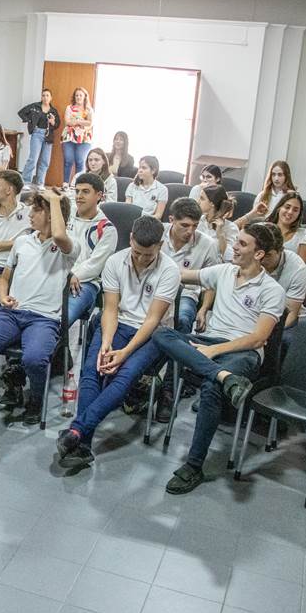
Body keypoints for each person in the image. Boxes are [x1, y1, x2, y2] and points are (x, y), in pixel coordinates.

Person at [151, 223, 286, 495]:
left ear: (259, 254)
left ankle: (193, 465)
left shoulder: (272, 290)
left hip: (242, 352)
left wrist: (214, 352)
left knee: (211, 388)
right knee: (162, 334)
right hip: (209, 343)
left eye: (242, 244)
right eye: (236, 242)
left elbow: (259, 338)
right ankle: (226, 378)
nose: (234, 247)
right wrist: (149, 256)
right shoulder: (223, 272)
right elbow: (181, 274)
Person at [0, 190, 77, 461]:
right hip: (12, 313)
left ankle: (34, 401)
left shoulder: (68, 246)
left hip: (44, 319)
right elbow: (5, 275)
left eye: (36, 210)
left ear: (53, 214)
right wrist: (2, 296)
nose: (29, 214)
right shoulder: (23, 242)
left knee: (35, 358)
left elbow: (58, 235)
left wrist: (56, 200)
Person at [57, 216, 180, 468]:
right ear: (131, 239)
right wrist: (106, 342)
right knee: (92, 369)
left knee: (124, 376)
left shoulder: (170, 271)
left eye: (149, 254)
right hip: (119, 323)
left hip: (153, 333)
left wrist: (124, 352)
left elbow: (152, 319)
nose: (142, 258)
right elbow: (111, 309)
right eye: (137, 252)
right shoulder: (115, 261)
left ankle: (77, 430)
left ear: (161, 245)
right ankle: (82, 442)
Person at [153, 197, 221, 422]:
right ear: (171, 220)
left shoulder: (207, 244)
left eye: (195, 225)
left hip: (187, 295)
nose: (190, 231)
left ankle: (169, 390)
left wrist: (205, 309)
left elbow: (210, 282)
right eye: (185, 225)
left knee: (182, 321)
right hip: (151, 293)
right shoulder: (158, 234)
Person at [66, 173, 117, 328]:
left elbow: (95, 265)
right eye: (77, 191)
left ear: (99, 195)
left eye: (85, 192)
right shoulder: (65, 215)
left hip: (85, 282)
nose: (79, 196)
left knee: (61, 320)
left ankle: (61, 351)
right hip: (57, 275)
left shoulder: (107, 229)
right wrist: (65, 276)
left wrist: (72, 276)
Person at [255, 221, 306, 330]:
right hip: (253, 316)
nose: (261, 259)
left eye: (268, 255)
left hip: (282, 322)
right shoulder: (250, 258)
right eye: (259, 253)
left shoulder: (297, 268)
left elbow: (290, 314)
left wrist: (265, 335)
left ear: (281, 250)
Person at [17, 89, 60, 186]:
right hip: (37, 134)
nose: (45, 97)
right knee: (33, 159)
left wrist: (53, 122)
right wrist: (29, 121)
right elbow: (21, 113)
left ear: (51, 98)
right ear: (41, 97)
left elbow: (57, 124)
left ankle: (40, 183)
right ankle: (25, 182)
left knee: (45, 161)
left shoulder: (53, 111)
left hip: (48, 136)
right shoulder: (35, 106)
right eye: (43, 95)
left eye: (47, 95)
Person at [266, 192, 306, 262]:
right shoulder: (264, 227)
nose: (290, 212)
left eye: (295, 210)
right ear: (279, 208)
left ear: (299, 214)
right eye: (287, 207)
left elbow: (301, 267)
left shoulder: (305, 234)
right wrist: (253, 214)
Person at [61, 87, 93, 185]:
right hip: (69, 137)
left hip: (84, 139)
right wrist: (83, 122)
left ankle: (77, 184)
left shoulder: (89, 109)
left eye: (80, 95)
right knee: (68, 160)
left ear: (84, 97)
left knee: (80, 161)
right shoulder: (69, 108)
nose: (78, 97)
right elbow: (67, 122)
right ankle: (65, 183)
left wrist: (76, 121)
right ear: (74, 97)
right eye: (77, 95)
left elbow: (90, 123)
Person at [198, 185, 238, 261]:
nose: (198, 201)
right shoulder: (198, 221)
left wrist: (220, 235)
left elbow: (229, 257)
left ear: (212, 204)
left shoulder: (230, 228)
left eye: (202, 198)